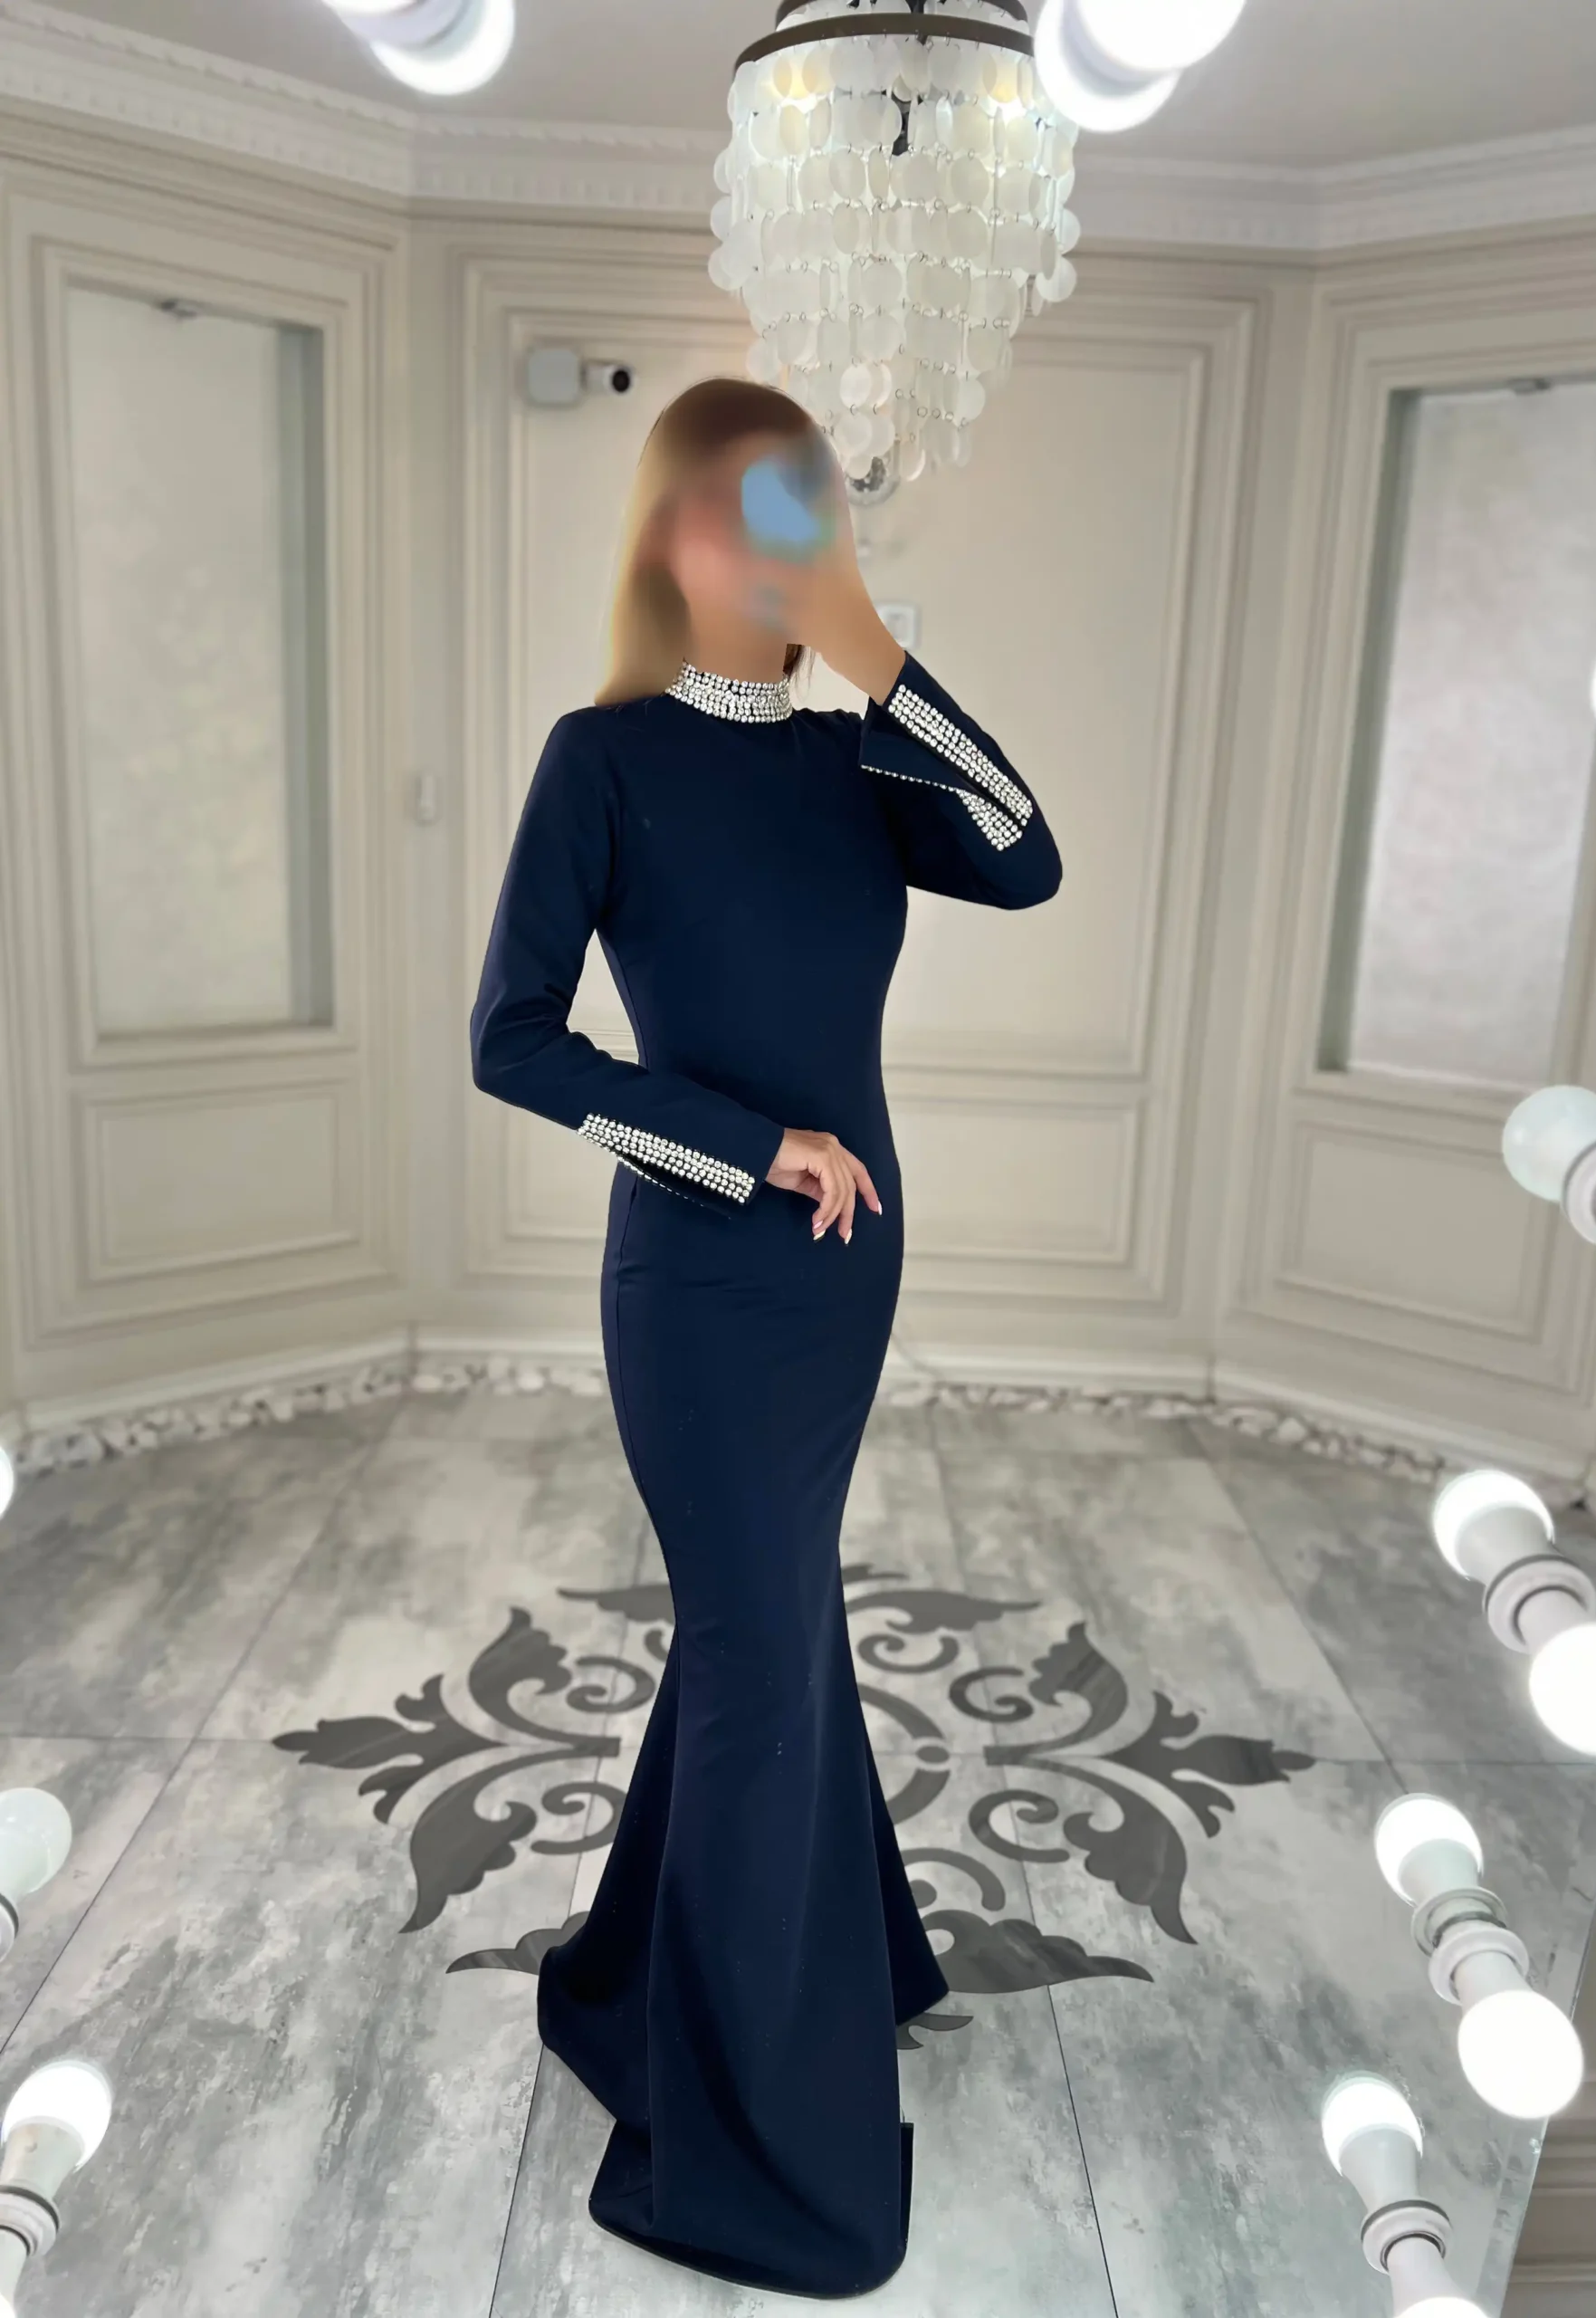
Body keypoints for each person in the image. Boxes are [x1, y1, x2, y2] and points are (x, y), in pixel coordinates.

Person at [469, 376, 1063, 2298]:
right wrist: (743, 1147)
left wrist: (872, 653)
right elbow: (512, 1040)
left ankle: (653, 1977)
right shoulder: (603, 758)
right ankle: (738, 2142)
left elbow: (1025, 853)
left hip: (842, 1278)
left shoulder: (847, 761)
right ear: (674, 536)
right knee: (754, 1658)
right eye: (756, 512)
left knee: (778, 1633)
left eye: (816, 512)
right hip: (703, 1287)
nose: (791, 546)